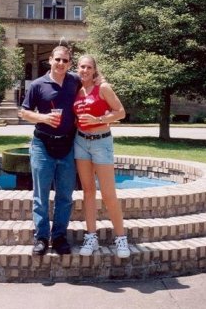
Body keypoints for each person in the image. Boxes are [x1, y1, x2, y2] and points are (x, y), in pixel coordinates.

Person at [21, 44, 81, 256]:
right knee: (41, 195)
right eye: (57, 59)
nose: (61, 64)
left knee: (65, 195)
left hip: (67, 144)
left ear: (69, 63)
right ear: (50, 61)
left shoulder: (75, 81)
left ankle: (59, 236)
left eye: (65, 61)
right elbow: (24, 112)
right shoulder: (38, 85)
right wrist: (43, 118)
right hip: (42, 144)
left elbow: (94, 83)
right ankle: (41, 237)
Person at [73, 54, 130, 258]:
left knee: (108, 193)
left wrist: (97, 118)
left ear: (94, 69)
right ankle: (91, 237)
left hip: (101, 142)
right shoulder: (75, 90)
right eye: (82, 67)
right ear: (77, 68)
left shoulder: (103, 88)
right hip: (80, 142)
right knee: (88, 191)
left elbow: (121, 112)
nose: (85, 70)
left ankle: (121, 238)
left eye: (89, 67)